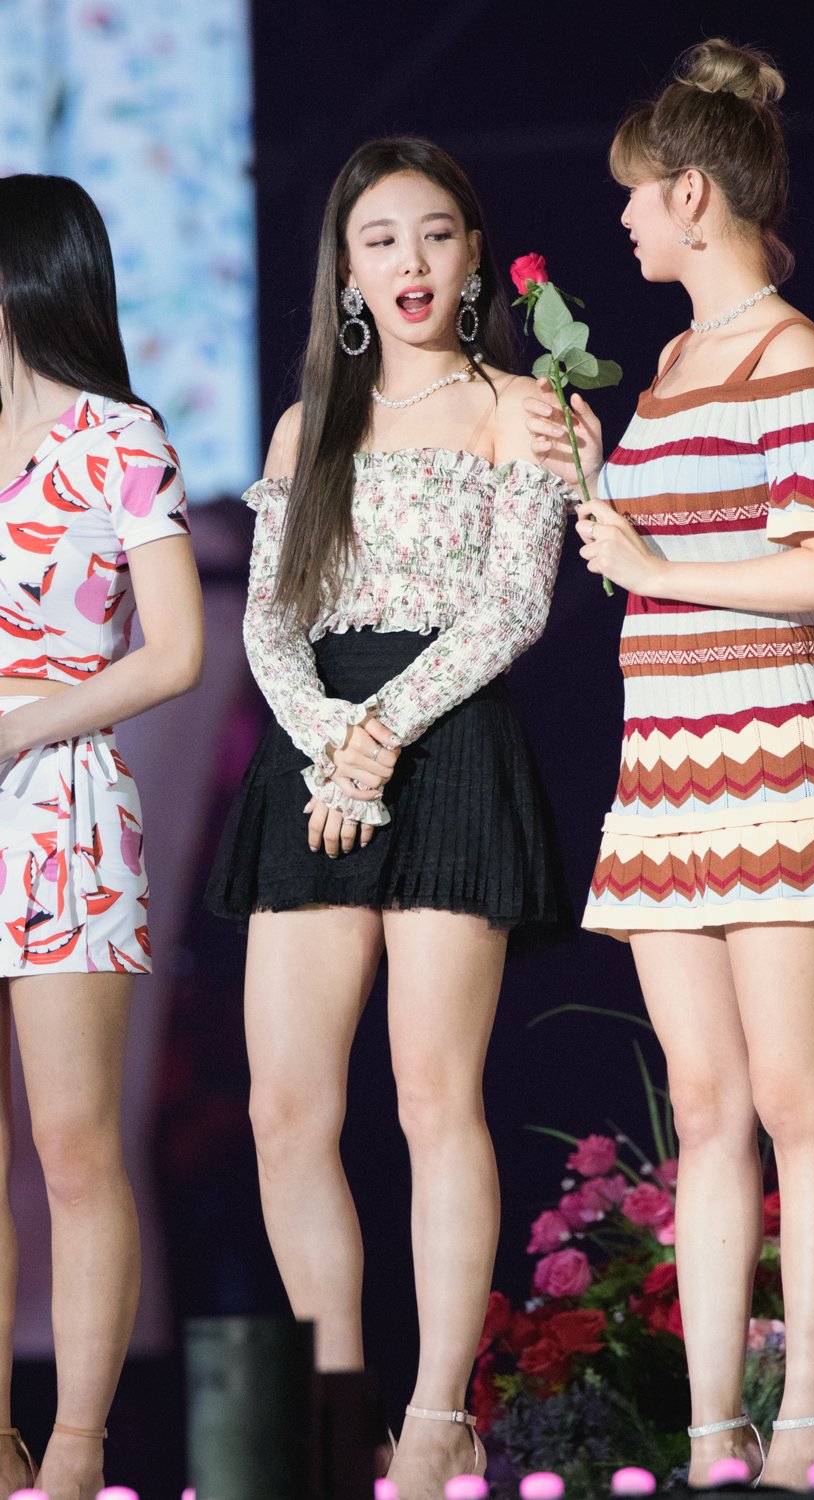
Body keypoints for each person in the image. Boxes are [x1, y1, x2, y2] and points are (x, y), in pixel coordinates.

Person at [525, 38, 814, 1494]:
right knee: (703, 1105)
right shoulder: (677, 360)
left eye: (638, 194)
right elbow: (656, 550)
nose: (624, 219)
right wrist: (592, 477)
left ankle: (806, 1417)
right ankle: (710, 1431)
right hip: (667, 754)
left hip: (772, 750)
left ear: (692, 194)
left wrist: (657, 562)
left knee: (797, 1095)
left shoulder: (790, 355)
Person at [206, 136, 567, 1500]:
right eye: (380, 241)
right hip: (318, 756)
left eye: (434, 235)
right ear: (346, 273)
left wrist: (381, 739)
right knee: (285, 1108)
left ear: (471, 256)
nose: (410, 263)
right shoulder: (310, 422)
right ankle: (332, 1419)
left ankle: (435, 1420)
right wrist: (329, 747)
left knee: (431, 1093)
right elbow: (268, 618)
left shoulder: (521, 409)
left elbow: (515, 607)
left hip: (448, 740)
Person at [0, 174, 203, 1500]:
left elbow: (175, 652)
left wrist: (22, 724)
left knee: (73, 1148)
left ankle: (76, 1450)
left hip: (60, 806)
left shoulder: (119, 437)